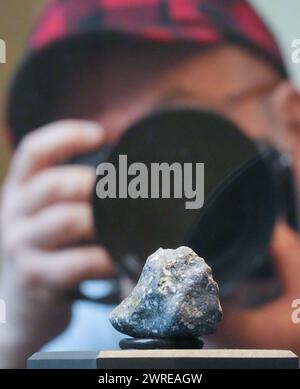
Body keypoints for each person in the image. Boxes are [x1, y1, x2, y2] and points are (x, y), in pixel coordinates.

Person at [1, 0, 300, 368]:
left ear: (292, 124)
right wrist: (12, 339)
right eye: (100, 157)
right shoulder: (73, 327)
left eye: (173, 138)